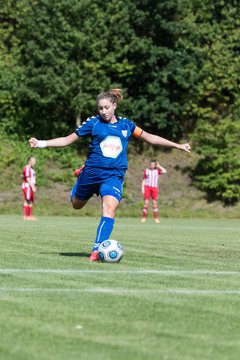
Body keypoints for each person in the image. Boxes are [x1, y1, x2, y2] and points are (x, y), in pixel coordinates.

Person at [29, 88, 191, 261]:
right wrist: (41, 143)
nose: (104, 111)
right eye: (100, 108)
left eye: (106, 107)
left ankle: (96, 250)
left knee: (109, 208)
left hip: (113, 175)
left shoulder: (127, 125)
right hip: (91, 173)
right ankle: (80, 176)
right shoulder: (93, 123)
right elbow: (67, 140)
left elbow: (150, 138)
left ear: (114, 105)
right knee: (76, 205)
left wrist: (178, 145)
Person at [22, 156, 37, 220]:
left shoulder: (31, 169)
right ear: (29, 161)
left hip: (31, 186)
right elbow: (28, 178)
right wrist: (32, 186)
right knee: (27, 200)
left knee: (31, 201)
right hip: (28, 186)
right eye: (33, 161)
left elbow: (23, 175)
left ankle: (30, 215)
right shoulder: (27, 168)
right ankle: (25, 216)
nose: (34, 162)